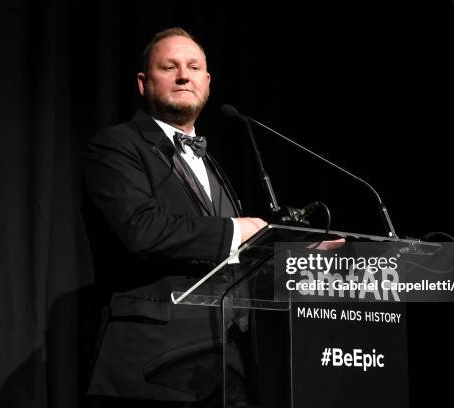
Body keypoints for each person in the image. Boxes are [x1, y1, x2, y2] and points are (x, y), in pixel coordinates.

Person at [82, 27, 267, 407]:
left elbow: (232, 251)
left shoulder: (210, 161)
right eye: (170, 67)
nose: (184, 75)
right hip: (152, 365)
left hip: (227, 370)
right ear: (143, 81)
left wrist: (295, 253)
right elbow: (140, 230)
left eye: (193, 67)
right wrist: (235, 229)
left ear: (207, 81)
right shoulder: (117, 145)